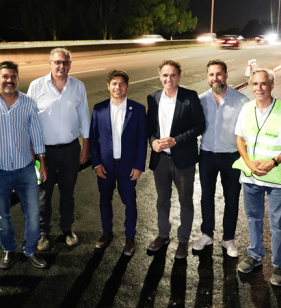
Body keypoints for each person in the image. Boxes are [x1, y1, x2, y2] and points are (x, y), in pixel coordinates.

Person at [0, 61, 49, 270]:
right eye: (5, 76)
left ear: (17, 78)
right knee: (1, 215)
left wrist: (42, 163)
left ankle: (30, 250)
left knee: (33, 212)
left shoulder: (28, 102)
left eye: (13, 76)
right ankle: (9, 249)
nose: (9, 80)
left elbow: (36, 134)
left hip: (26, 168)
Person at [233, 69, 281, 287]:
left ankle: (279, 265)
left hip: (277, 179)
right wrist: (248, 162)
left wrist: (273, 162)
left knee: (278, 224)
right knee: (253, 218)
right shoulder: (246, 109)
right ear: (250, 86)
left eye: (264, 84)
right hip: (251, 177)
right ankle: (255, 255)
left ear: (272, 86)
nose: (259, 88)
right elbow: (240, 139)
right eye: (255, 84)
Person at [27, 48, 90, 251]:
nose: (61, 66)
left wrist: (85, 146)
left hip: (71, 150)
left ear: (70, 64)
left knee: (68, 193)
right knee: (41, 194)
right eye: (57, 62)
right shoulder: (36, 86)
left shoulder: (78, 86)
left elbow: (84, 117)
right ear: (50, 63)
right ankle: (43, 232)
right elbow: (28, 119)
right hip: (42, 152)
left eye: (65, 62)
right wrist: (33, 153)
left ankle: (67, 229)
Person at [146, 60, 206, 259]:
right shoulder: (153, 98)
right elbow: (149, 128)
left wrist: (176, 141)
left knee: (185, 201)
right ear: (160, 77)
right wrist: (153, 142)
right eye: (165, 75)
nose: (169, 79)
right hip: (161, 160)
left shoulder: (190, 97)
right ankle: (163, 235)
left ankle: (183, 240)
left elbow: (199, 126)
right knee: (162, 200)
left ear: (179, 76)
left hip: (183, 160)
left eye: (173, 75)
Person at [192, 59, 249, 258]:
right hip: (207, 155)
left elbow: (247, 132)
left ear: (226, 75)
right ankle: (207, 234)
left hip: (232, 156)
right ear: (208, 77)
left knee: (231, 198)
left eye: (218, 74)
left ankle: (228, 239)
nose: (215, 78)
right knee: (206, 197)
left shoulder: (241, 101)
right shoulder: (200, 100)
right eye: (211, 74)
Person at [89, 70, 147, 257]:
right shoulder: (99, 109)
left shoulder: (138, 110)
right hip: (105, 166)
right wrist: (96, 163)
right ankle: (107, 232)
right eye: (114, 83)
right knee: (105, 200)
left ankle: (130, 238)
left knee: (129, 201)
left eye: (122, 83)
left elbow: (142, 140)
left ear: (127, 86)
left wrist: (139, 166)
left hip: (128, 167)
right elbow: (93, 139)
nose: (118, 87)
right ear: (108, 86)